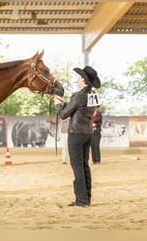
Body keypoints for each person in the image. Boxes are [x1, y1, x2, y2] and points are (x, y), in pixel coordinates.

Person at [53, 66, 101, 207]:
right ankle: (87, 198)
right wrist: (65, 103)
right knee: (85, 164)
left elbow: (63, 115)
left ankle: (81, 199)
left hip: (76, 133)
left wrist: (57, 105)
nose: (77, 80)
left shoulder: (78, 95)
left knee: (77, 166)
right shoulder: (93, 96)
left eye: (79, 78)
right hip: (87, 133)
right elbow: (82, 108)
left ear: (84, 81)